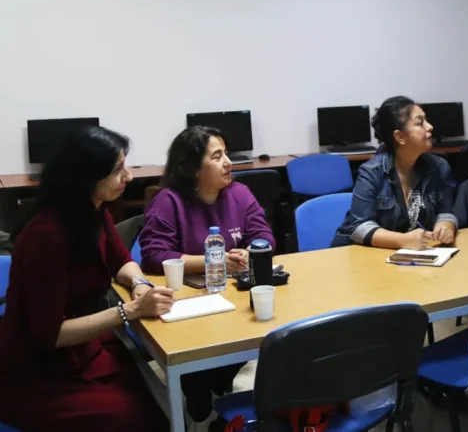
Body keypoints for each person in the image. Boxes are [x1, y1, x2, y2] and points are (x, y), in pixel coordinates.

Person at [0, 126, 173, 431]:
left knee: (153, 395)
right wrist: (130, 310)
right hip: (34, 369)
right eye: (117, 170)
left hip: (80, 350)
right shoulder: (46, 236)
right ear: (87, 177)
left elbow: (122, 262)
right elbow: (51, 335)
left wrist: (140, 285)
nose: (128, 177)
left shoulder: (93, 213)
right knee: (131, 415)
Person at [139, 125, 276, 428]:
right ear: (192, 168)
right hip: (190, 304)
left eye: (226, 154)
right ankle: (199, 392)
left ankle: (223, 392)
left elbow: (264, 235)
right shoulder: (169, 200)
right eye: (216, 157)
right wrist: (214, 261)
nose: (227, 162)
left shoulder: (239, 193)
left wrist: (250, 253)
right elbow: (154, 255)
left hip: (235, 299)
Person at [332, 96, 457, 249]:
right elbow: (360, 227)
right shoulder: (371, 172)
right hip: (359, 253)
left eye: (426, 120)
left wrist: (445, 226)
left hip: (408, 254)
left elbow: (445, 211)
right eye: (419, 122)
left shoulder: (439, 166)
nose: (430, 126)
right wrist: (402, 240)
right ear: (400, 137)